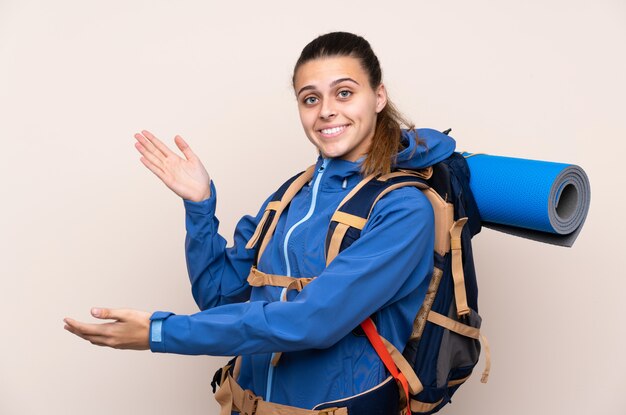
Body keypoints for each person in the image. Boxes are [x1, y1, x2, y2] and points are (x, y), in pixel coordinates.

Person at [64, 31, 456, 413]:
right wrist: (200, 207)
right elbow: (218, 297)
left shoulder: (403, 209)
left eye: (345, 93)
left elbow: (313, 322)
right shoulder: (293, 194)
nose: (326, 110)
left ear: (378, 97)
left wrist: (161, 332)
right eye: (310, 98)